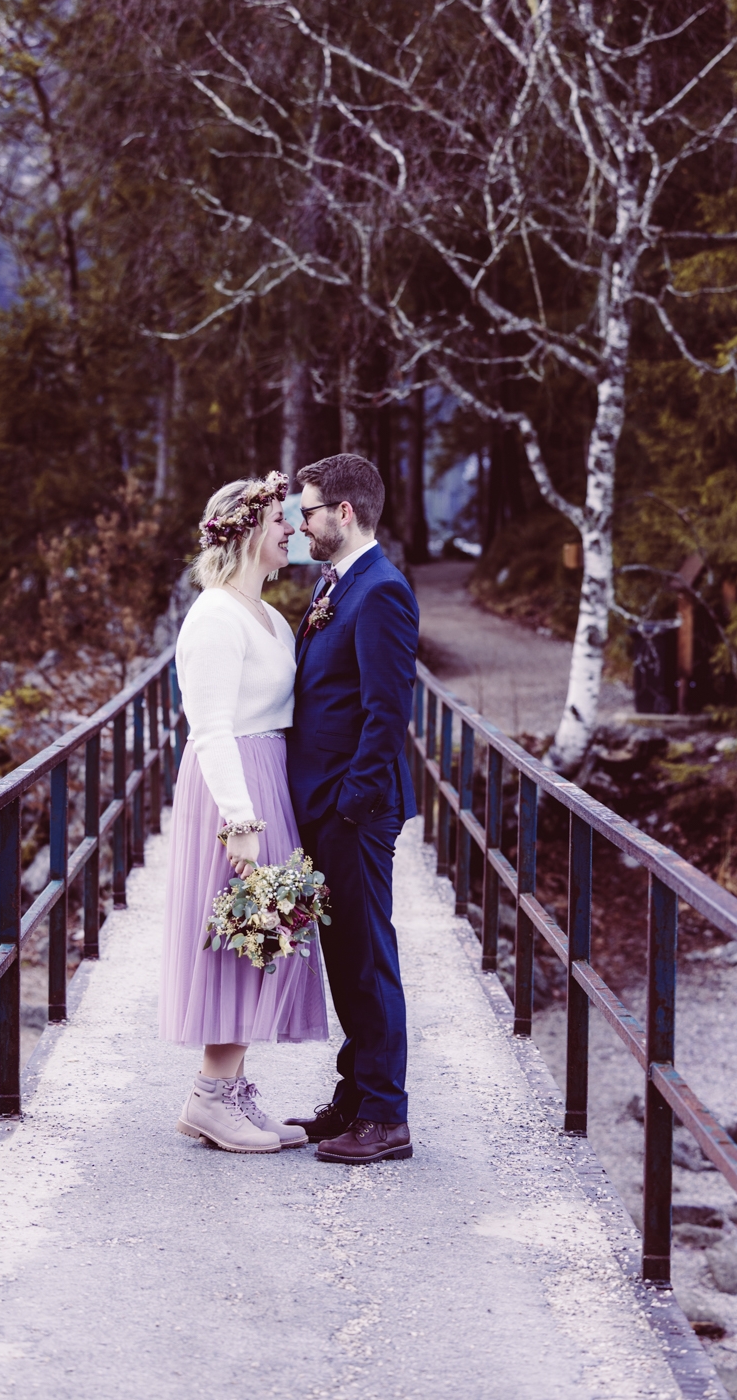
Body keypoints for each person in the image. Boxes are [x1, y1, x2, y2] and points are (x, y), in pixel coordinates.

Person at [160, 471, 328, 1154]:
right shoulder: (215, 618)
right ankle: (209, 1096)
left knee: (265, 934)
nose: (291, 529)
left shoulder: (266, 614)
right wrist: (239, 819)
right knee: (242, 938)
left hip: (268, 777)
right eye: (280, 521)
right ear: (249, 532)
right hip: (233, 787)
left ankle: (229, 1091)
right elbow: (210, 729)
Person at [284, 453, 419, 1164]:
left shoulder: (381, 593)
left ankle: (387, 1115)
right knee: (346, 959)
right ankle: (355, 1097)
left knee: (368, 960)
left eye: (305, 511)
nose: (297, 523)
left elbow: (386, 713)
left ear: (344, 513)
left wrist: (349, 805)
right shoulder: (340, 584)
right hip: (330, 806)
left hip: (354, 813)